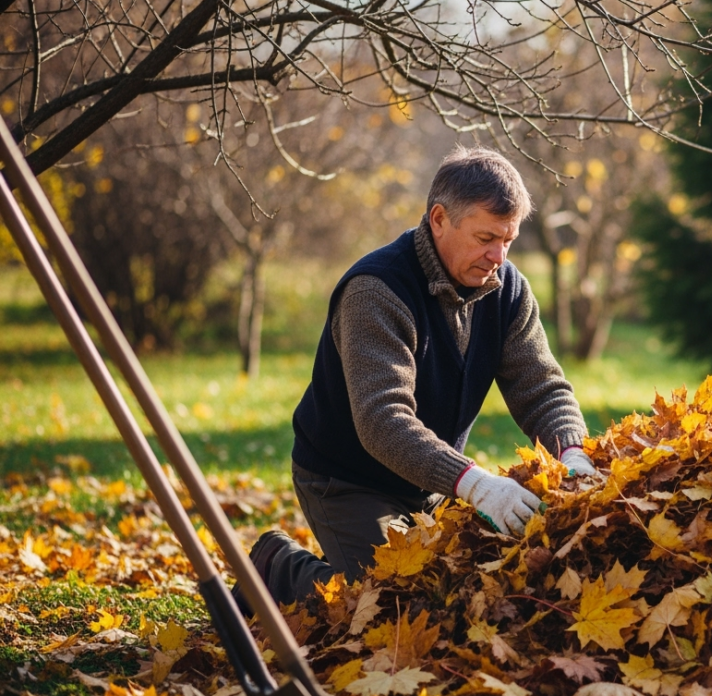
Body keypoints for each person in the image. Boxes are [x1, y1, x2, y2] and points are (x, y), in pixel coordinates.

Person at [236, 146, 598, 611]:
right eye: (486, 237)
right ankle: (276, 567)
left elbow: (542, 387)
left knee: (472, 592)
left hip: (431, 481)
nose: (498, 256)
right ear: (439, 219)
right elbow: (383, 421)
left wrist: (572, 450)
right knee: (388, 604)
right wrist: (477, 485)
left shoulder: (507, 290)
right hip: (346, 478)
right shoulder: (377, 290)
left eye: (508, 241)